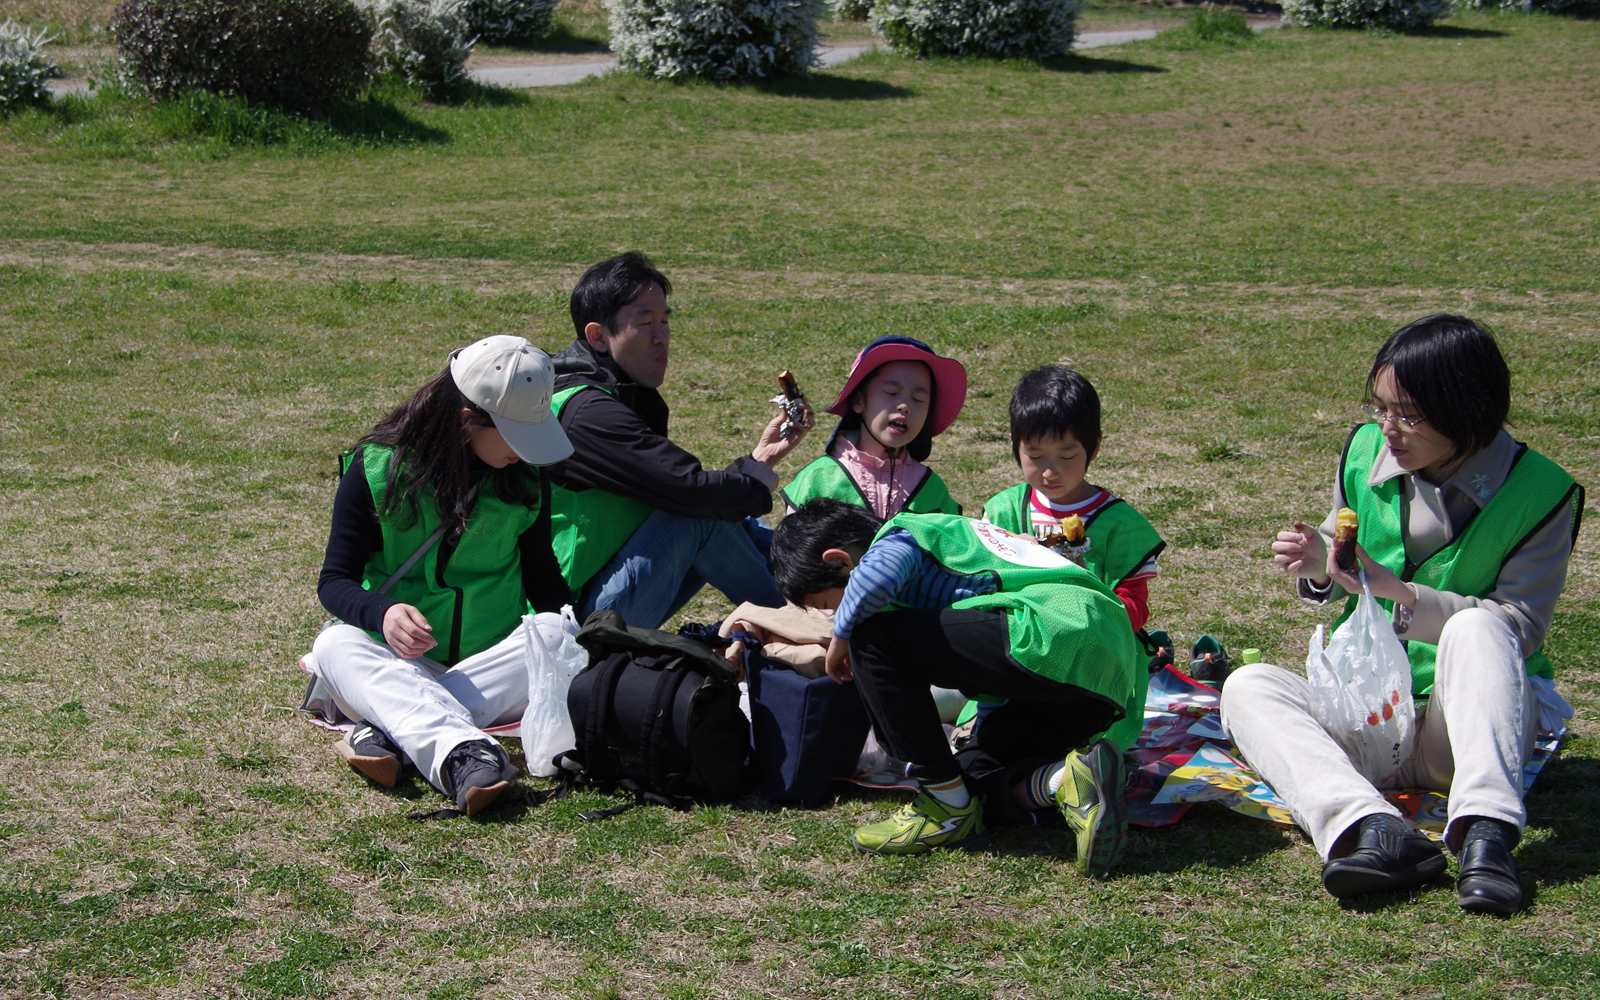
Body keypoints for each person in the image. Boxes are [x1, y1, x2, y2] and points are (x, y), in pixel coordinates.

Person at [1224, 315, 1583, 913]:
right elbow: (1346, 567)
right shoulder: (1364, 450)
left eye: (1408, 414)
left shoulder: (1542, 492)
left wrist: (1402, 596)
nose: (1387, 428)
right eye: (1380, 407)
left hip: (1463, 728)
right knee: (1246, 685)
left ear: (1467, 411)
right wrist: (1321, 567)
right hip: (1368, 715)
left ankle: (1485, 835)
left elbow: (1519, 628)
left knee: (1480, 625)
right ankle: (1369, 828)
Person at [770, 499, 1142, 871]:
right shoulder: (958, 551)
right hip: (1098, 676)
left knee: (871, 638)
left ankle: (941, 800)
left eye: (826, 603)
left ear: (840, 561)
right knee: (970, 785)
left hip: (1054, 631)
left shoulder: (903, 535)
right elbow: (992, 662)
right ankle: (1070, 780)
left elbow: (876, 579)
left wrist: (843, 635)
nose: (832, 614)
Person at [307, 335, 574, 817]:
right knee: (334, 646)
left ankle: (391, 731)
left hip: (490, 667)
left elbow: (544, 580)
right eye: (515, 434)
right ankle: (464, 752)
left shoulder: (526, 478)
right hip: (400, 664)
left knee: (558, 632)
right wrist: (382, 612)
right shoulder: (375, 469)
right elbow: (335, 581)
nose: (525, 452)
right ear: (469, 421)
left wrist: (584, 632)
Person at [548, 253, 809, 629]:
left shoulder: (621, 393)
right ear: (598, 336)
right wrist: (753, 484)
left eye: (665, 320)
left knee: (737, 524)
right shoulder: (586, 411)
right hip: (575, 622)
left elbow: (671, 486)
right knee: (699, 519)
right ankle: (809, 629)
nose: (662, 336)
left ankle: (825, 593)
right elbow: (688, 491)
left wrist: (759, 459)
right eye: (645, 322)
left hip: (606, 589)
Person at [981, 365, 1164, 748]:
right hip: (1015, 650)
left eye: (1067, 455)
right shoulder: (1004, 510)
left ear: (1094, 447)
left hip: (1092, 662)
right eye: (1035, 455)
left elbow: (1135, 606)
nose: (1050, 471)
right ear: (1015, 444)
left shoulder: (1118, 524)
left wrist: (1082, 603)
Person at [781, 335, 965, 518]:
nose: (905, 406)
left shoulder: (932, 489)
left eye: (918, 399)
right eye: (891, 392)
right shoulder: (818, 479)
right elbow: (792, 545)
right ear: (859, 400)